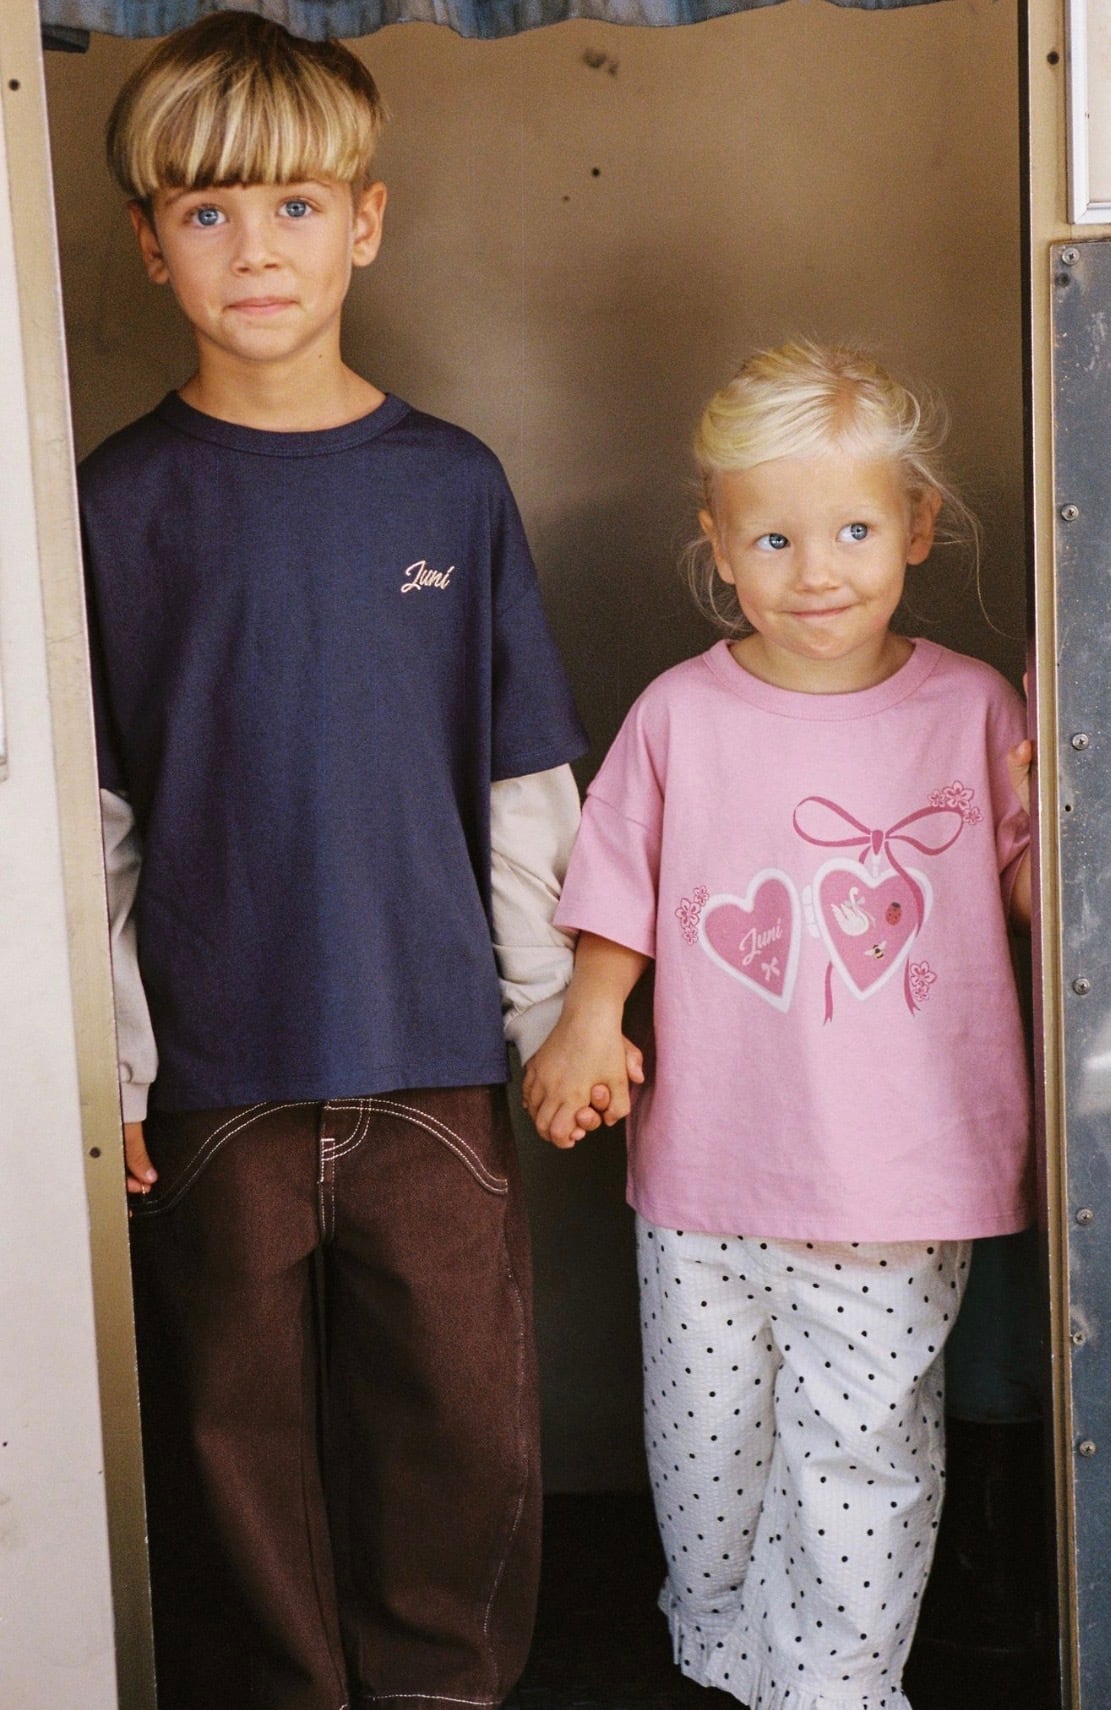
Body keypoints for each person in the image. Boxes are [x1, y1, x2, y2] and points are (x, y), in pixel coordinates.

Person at [82, 14, 589, 1709]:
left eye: (295, 206)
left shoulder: (449, 485)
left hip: (430, 1058)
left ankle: (440, 1689)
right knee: (233, 1432)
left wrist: (550, 1014)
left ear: (365, 222)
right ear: (149, 242)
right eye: (209, 212)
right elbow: (94, 823)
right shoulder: (111, 505)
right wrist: (113, 1068)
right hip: (209, 1077)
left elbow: (522, 781)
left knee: (456, 1417)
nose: (257, 250)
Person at [522, 341, 1033, 1710]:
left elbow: (1039, 898)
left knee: (858, 1454)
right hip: (708, 1171)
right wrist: (589, 1016)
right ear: (718, 544)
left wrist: (1083, 777)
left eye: (854, 529)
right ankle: (725, 1664)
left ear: (916, 526)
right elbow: (619, 881)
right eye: (774, 538)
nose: (817, 572)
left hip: (897, 1177)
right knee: (709, 1452)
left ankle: (835, 1689)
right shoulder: (682, 712)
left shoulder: (973, 708)